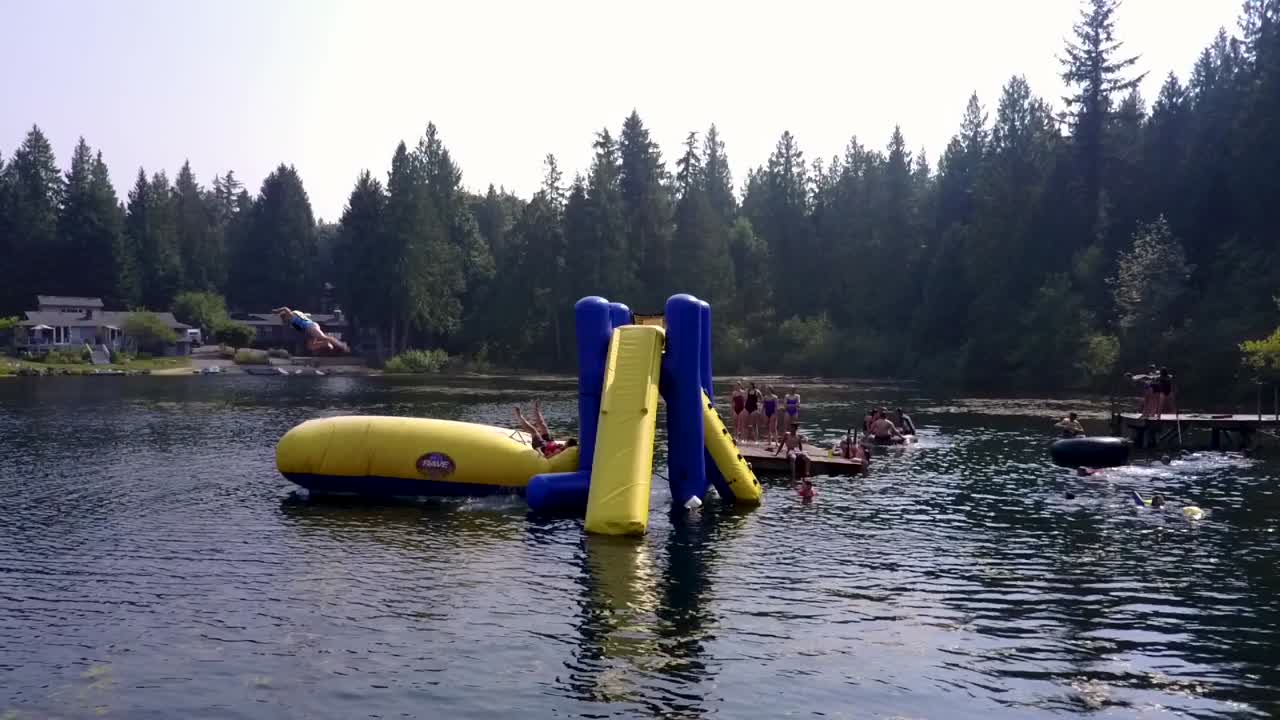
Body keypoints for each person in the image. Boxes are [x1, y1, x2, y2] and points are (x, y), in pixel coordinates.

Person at [272, 307, 350, 353]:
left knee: (323, 337)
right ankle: (326, 344)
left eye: (285, 319)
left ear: (286, 316)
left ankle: (342, 345)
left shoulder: (291, 314)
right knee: (311, 347)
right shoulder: (293, 320)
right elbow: (304, 321)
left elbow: (285, 308)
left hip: (310, 326)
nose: (286, 321)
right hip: (308, 331)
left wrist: (277, 311)